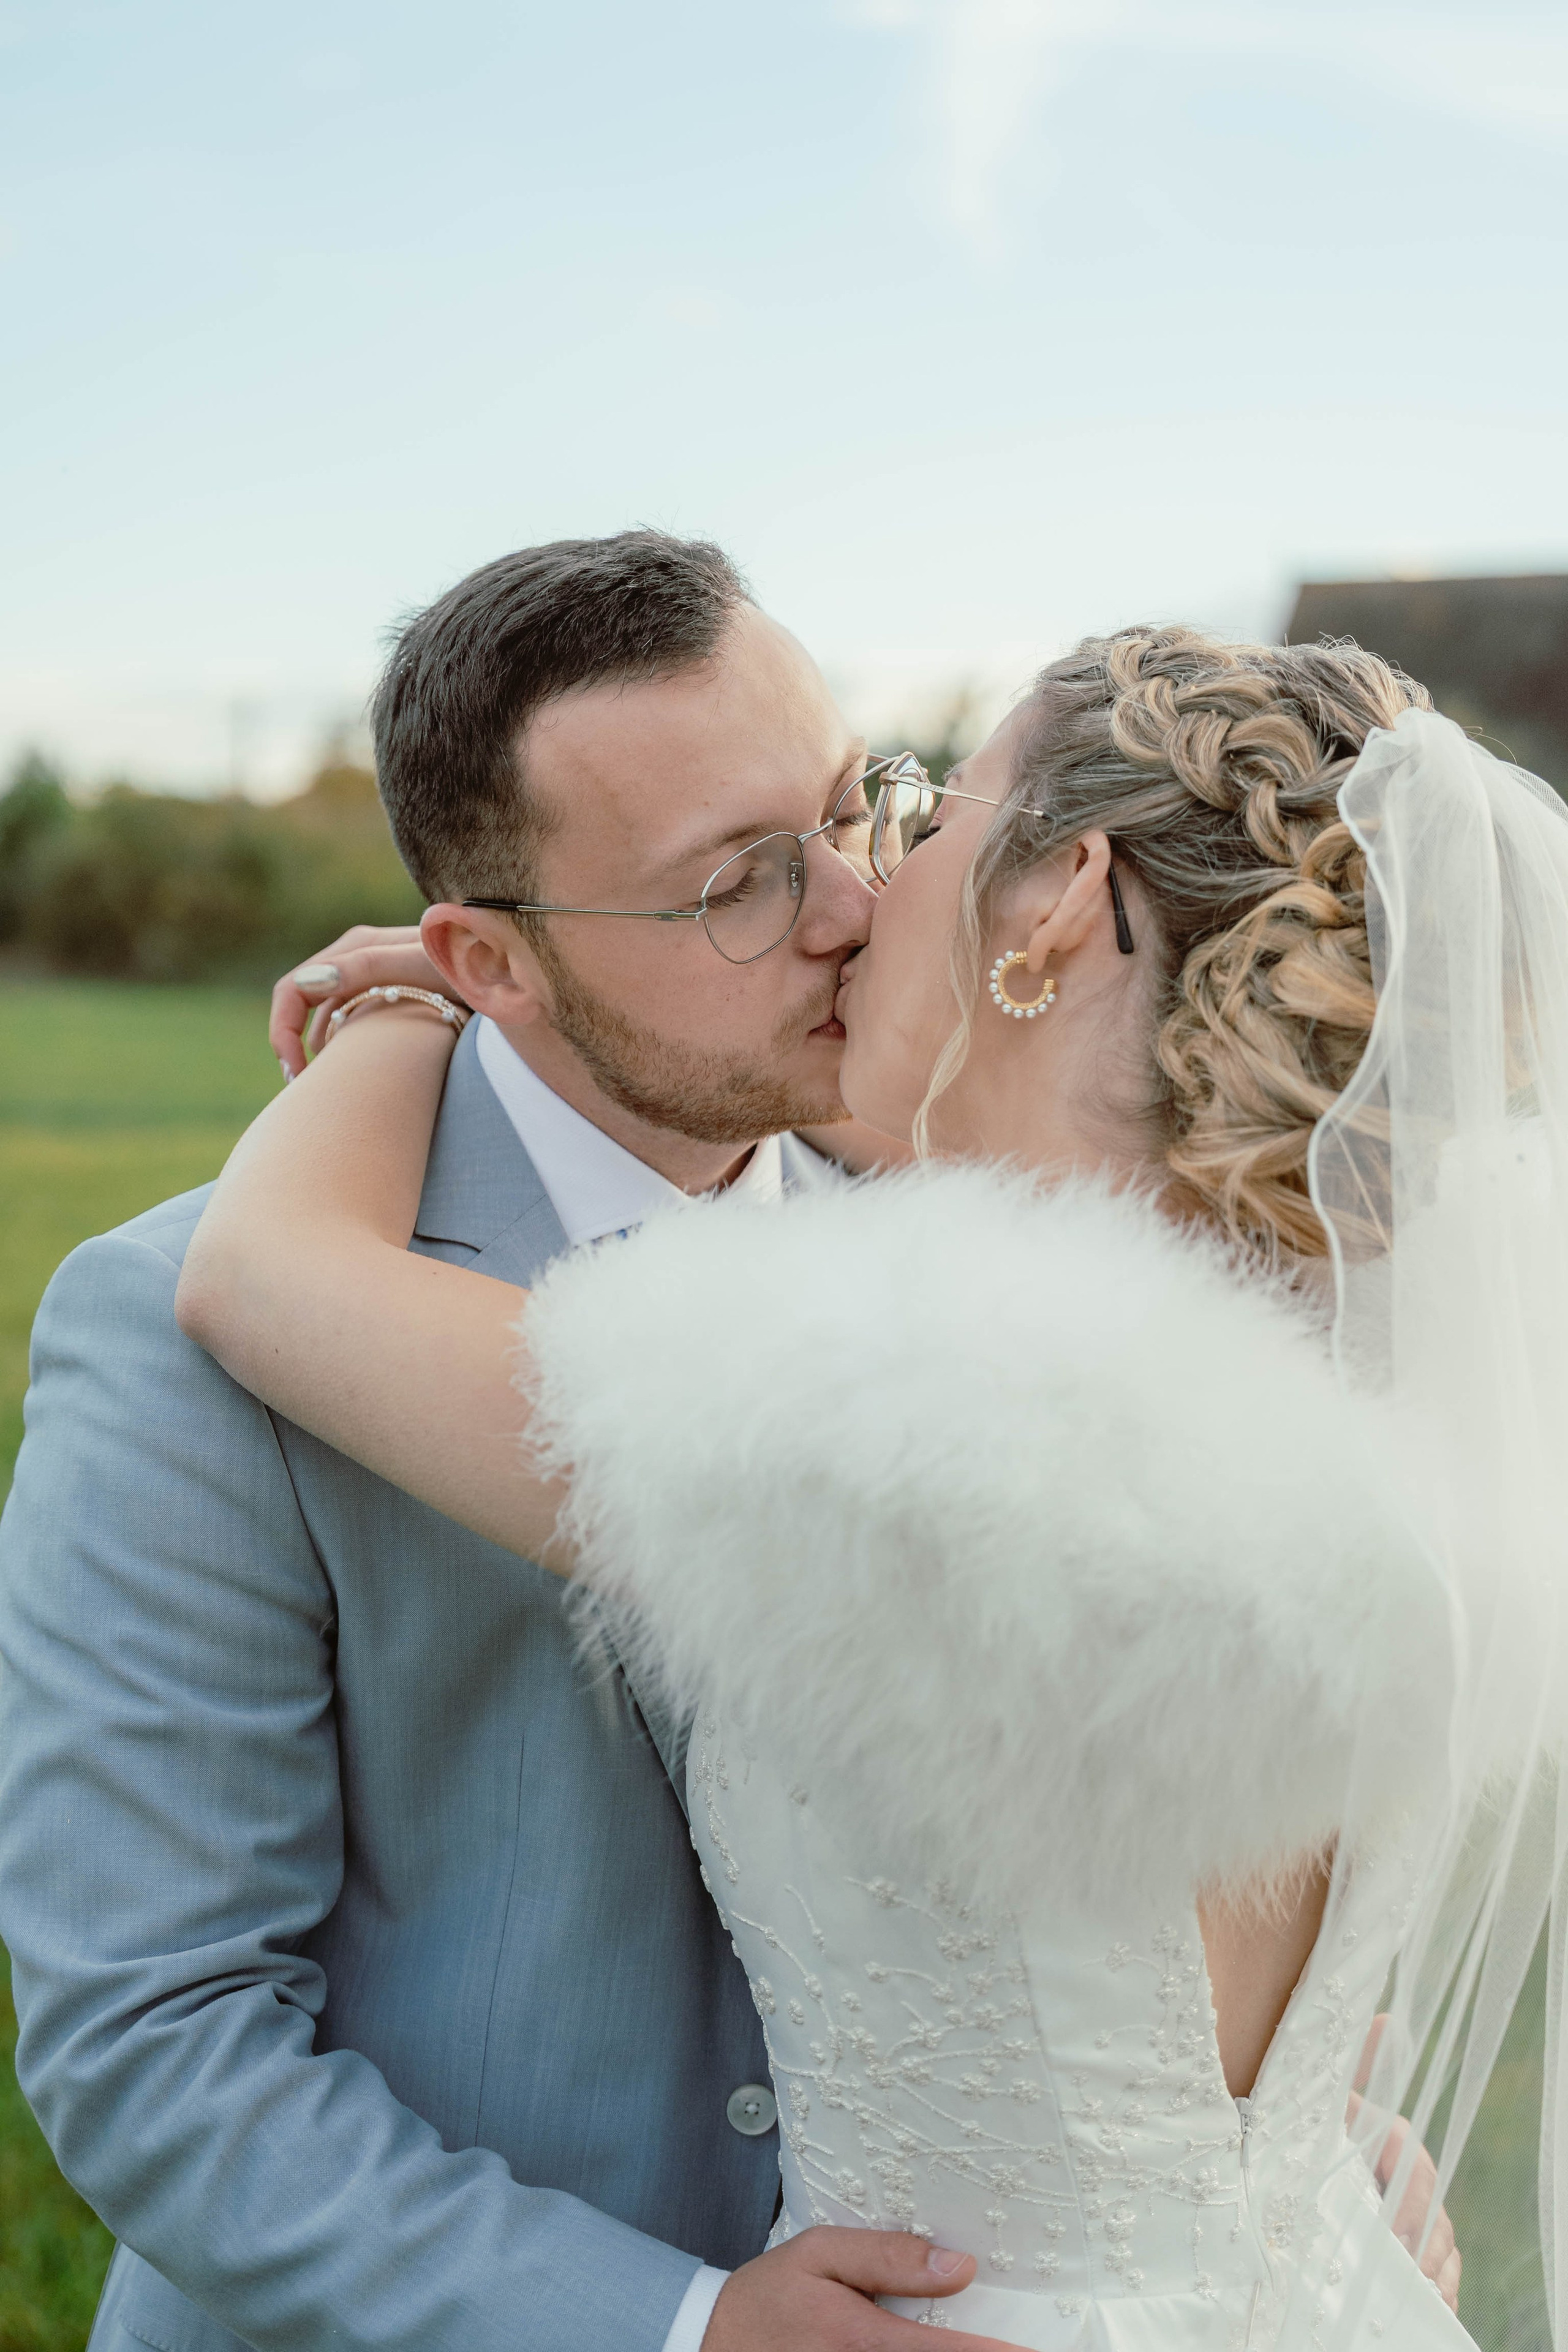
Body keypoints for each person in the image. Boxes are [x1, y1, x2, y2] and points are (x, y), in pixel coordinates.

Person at [173, 624, 1568, 2350]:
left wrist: (419, 1003)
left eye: (924, 808)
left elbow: (262, 1273)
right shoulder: (1387, 1358)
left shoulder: (887, 1412)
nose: (856, 885)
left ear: (1057, 903)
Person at [0, 532, 1004, 2352]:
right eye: (736, 887)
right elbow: (157, 2048)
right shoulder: (183, 1335)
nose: (854, 905)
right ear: (489, 963)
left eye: (859, 811)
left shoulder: (980, 1250)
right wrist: (682, 2327)